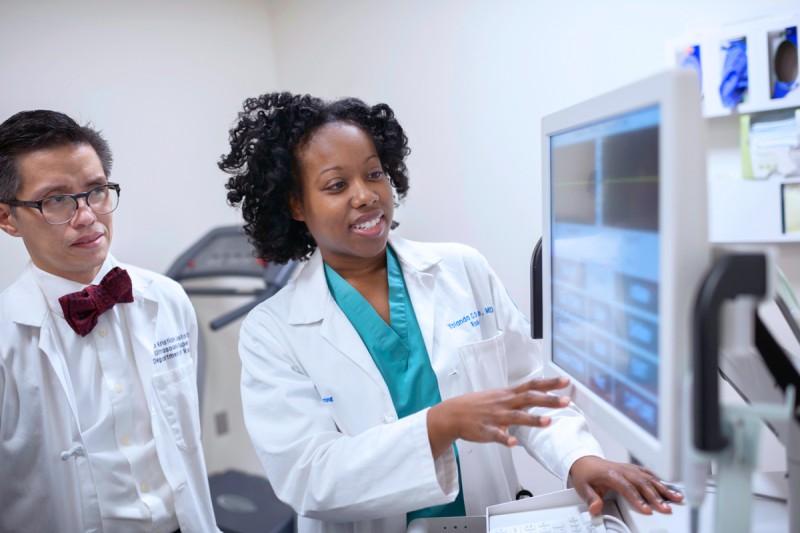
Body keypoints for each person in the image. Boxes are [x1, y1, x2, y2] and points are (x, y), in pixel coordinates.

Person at [220, 93, 683, 533]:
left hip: (485, 515)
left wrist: (580, 459)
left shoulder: (461, 268)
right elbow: (309, 477)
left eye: (374, 174)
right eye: (337, 185)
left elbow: (530, 391)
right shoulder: (273, 331)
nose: (365, 196)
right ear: (297, 205)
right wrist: (440, 424)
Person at [0, 110, 219, 532]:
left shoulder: (167, 299)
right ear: (8, 218)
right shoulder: (6, 336)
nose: (86, 216)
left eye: (96, 191)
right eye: (56, 200)